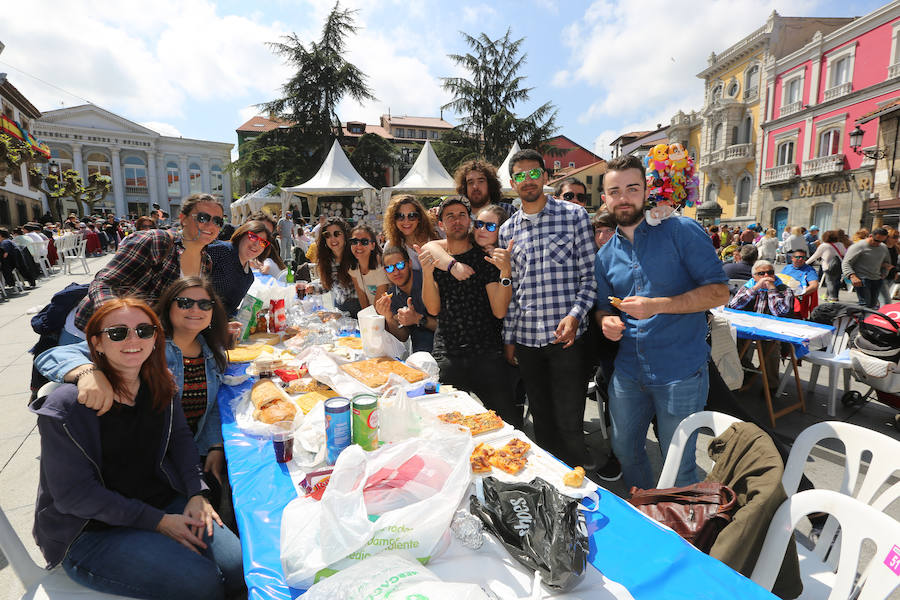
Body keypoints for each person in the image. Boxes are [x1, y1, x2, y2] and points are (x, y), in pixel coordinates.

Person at [31, 297, 244, 600]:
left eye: (144, 331)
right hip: (92, 531)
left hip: (160, 501)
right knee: (201, 583)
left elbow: (181, 440)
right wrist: (157, 523)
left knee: (238, 568)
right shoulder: (68, 405)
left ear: (156, 337)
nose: (134, 340)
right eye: (118, 333)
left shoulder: (160, 382)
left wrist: (197, 492)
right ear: (97, 343)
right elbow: (75, 497)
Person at [594, 154, 729, 490]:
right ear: (605, 199)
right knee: (625, 451)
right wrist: (606, 321)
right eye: (615, 191)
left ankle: (681, 532)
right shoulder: (605, 255)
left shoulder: (680, 230)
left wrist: (657, 306)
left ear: (646, 190)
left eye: (632, 188)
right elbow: (602, 307)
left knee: (679, 465)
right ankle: (649, 513)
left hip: (680, 371)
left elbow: (718, 293)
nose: (623, 198)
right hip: (628, 371)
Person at [498, 149, 597, 471]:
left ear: (545, 176)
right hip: (527, 341)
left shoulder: (574, 216)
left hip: (566, 340)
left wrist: (575, 315)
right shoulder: (507, 230)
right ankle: (555, 487)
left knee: (570, 424)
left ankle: (584, 493)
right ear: (513, 183)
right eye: (521, 176)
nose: (528, 181)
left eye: (533, 173)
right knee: (541, 423)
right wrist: (509, 337)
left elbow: (590, 277)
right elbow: (513, 289)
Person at [418, 196, 519, 428]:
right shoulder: (437, 260)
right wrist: (426, 272)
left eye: (462, 215)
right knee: (447, 427)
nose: (456, 220)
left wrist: (505, 274)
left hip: (486, 353)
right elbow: (433, 309)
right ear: (441, 224)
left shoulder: (485, 257)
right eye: (450, 216)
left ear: (469, 221)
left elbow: (499, 311)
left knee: (508, 425)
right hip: (449, 353)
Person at [72, 193, 225, 335]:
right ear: (183, 219)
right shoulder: (157, 241)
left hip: (140, 338)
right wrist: (121, 323)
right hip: (91, 332)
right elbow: (103, 284)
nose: (211, 225)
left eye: (218, 221)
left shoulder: (206, 262)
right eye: (203, 218)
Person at [728, 260, 794, 389]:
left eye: (770, 273)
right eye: (761, 273)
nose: (766, 276)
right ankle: (744, 372)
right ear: (754, 276)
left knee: (770, 346)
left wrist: (771, 289)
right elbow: (734, 305)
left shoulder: (784, 289)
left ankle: (771, 386)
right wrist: (755, 288)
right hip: (748, 327)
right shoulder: (749, 286)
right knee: (732, 341)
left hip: (772, 329)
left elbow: (779, 312)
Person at [206, 220, 275, 317]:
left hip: (219, 327)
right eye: (253, 237)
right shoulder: (221, 251)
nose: (256, 245)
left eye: (263, 242)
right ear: (242, 234)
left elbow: (230, 309)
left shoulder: (248, 278)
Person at [374, 245, 436, 353]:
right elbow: (402, 336)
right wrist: (388, 317)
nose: (396, 272)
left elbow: (449, 327)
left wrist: (418, 319)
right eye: (389, 268)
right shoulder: (391, 296)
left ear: (410, 264)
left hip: (447, 350)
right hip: (420, 356)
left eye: (400, 265)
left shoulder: (428, 281)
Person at [383, 195, 440, 271]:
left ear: (419, 218)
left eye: (412, 216)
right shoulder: (391, 246)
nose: (406, 221)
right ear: (394, 219)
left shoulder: (437, 233)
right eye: (400, 216)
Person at [317, 217, 361, 316]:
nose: (332, 239)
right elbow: (329, 285)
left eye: (337, 234)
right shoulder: (327, 259)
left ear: (345, 235)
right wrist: (312, 289)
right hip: (339, 308)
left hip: (359, 309)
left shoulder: (356, 256)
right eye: (327, 235)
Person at [842, 228, 891, 309]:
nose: (878, 243)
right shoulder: (858, 246)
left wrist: (884, 273)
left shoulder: (883, 247)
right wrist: (852, 276)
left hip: (877, 279)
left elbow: (887, 262)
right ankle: (862, 320)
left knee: (873, 305)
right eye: (876, 240)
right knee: (865, 305)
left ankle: (868, 320)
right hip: (862, 279)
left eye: (881, 241)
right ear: (871, 236)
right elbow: (846, 262)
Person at [347, 224, 389, 309]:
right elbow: (362, 298)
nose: (358, 245)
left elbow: (378, 306)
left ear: (373, 245)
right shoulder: (353, 270)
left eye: (364, 242)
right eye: (354, 241)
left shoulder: (381, 269)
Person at [807, 230, 846, 302]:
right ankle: (827, 295)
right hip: (839, 265)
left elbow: (815, 256)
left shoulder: (823, 245)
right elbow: (845, 253)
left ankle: (833, 297)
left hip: (827, 266)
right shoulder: (840, 244)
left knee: (830, 281)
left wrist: (805, 263)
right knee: (836, 281)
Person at [781, 248, 819, 319]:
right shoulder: (787, 268)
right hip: (784, 294)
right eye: (798, 257)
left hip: (798, 297)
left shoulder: (809, 270)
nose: (801, 259)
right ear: (792, 258)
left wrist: (799, 293)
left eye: (803, 257)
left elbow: (814, 285)